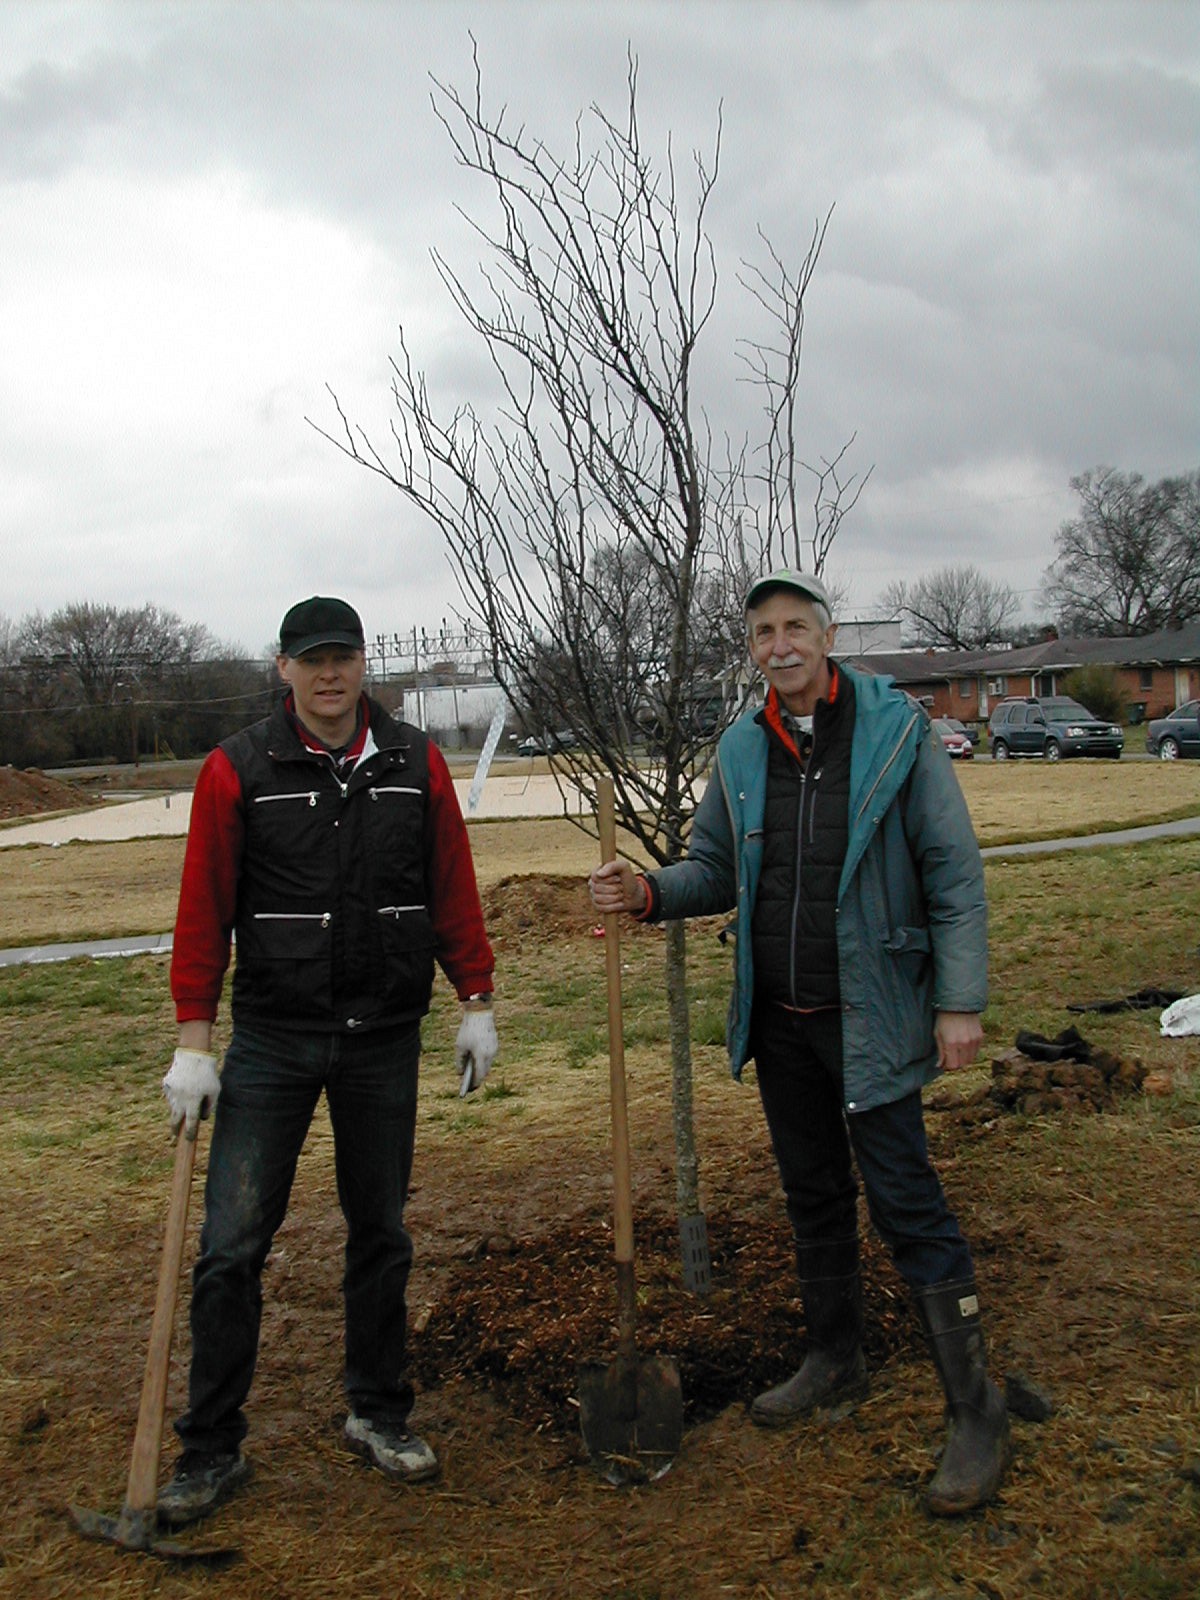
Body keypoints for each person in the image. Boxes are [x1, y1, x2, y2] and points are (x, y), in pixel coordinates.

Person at [589, 569, 1008, 1515]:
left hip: (873, 1014)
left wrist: (959, 1002)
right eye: (763, 632)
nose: (780, 645)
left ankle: (976, 1409)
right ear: (752, 649)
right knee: (813, 1193)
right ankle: (835, 1353)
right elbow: (713, 868)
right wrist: (648, 891)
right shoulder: (742, 746)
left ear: (826, 636)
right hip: (781, 1023)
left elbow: (952, 869)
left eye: (796, 628)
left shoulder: (896, 733)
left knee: (906, 1202)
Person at [158, 595, 497, 1526]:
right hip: (272, 1039)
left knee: (380, 1234)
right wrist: (196, 1039)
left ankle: (378, 1412)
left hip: (382, 1039)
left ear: (362, 663)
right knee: (231, 1246)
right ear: (284, 670)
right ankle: (210, 1447)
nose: (329, 674)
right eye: (310, 660)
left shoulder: (414, 762)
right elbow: (203, 907)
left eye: (342, 656)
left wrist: (477, 1000)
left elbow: (451, 889)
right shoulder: (238, 769)